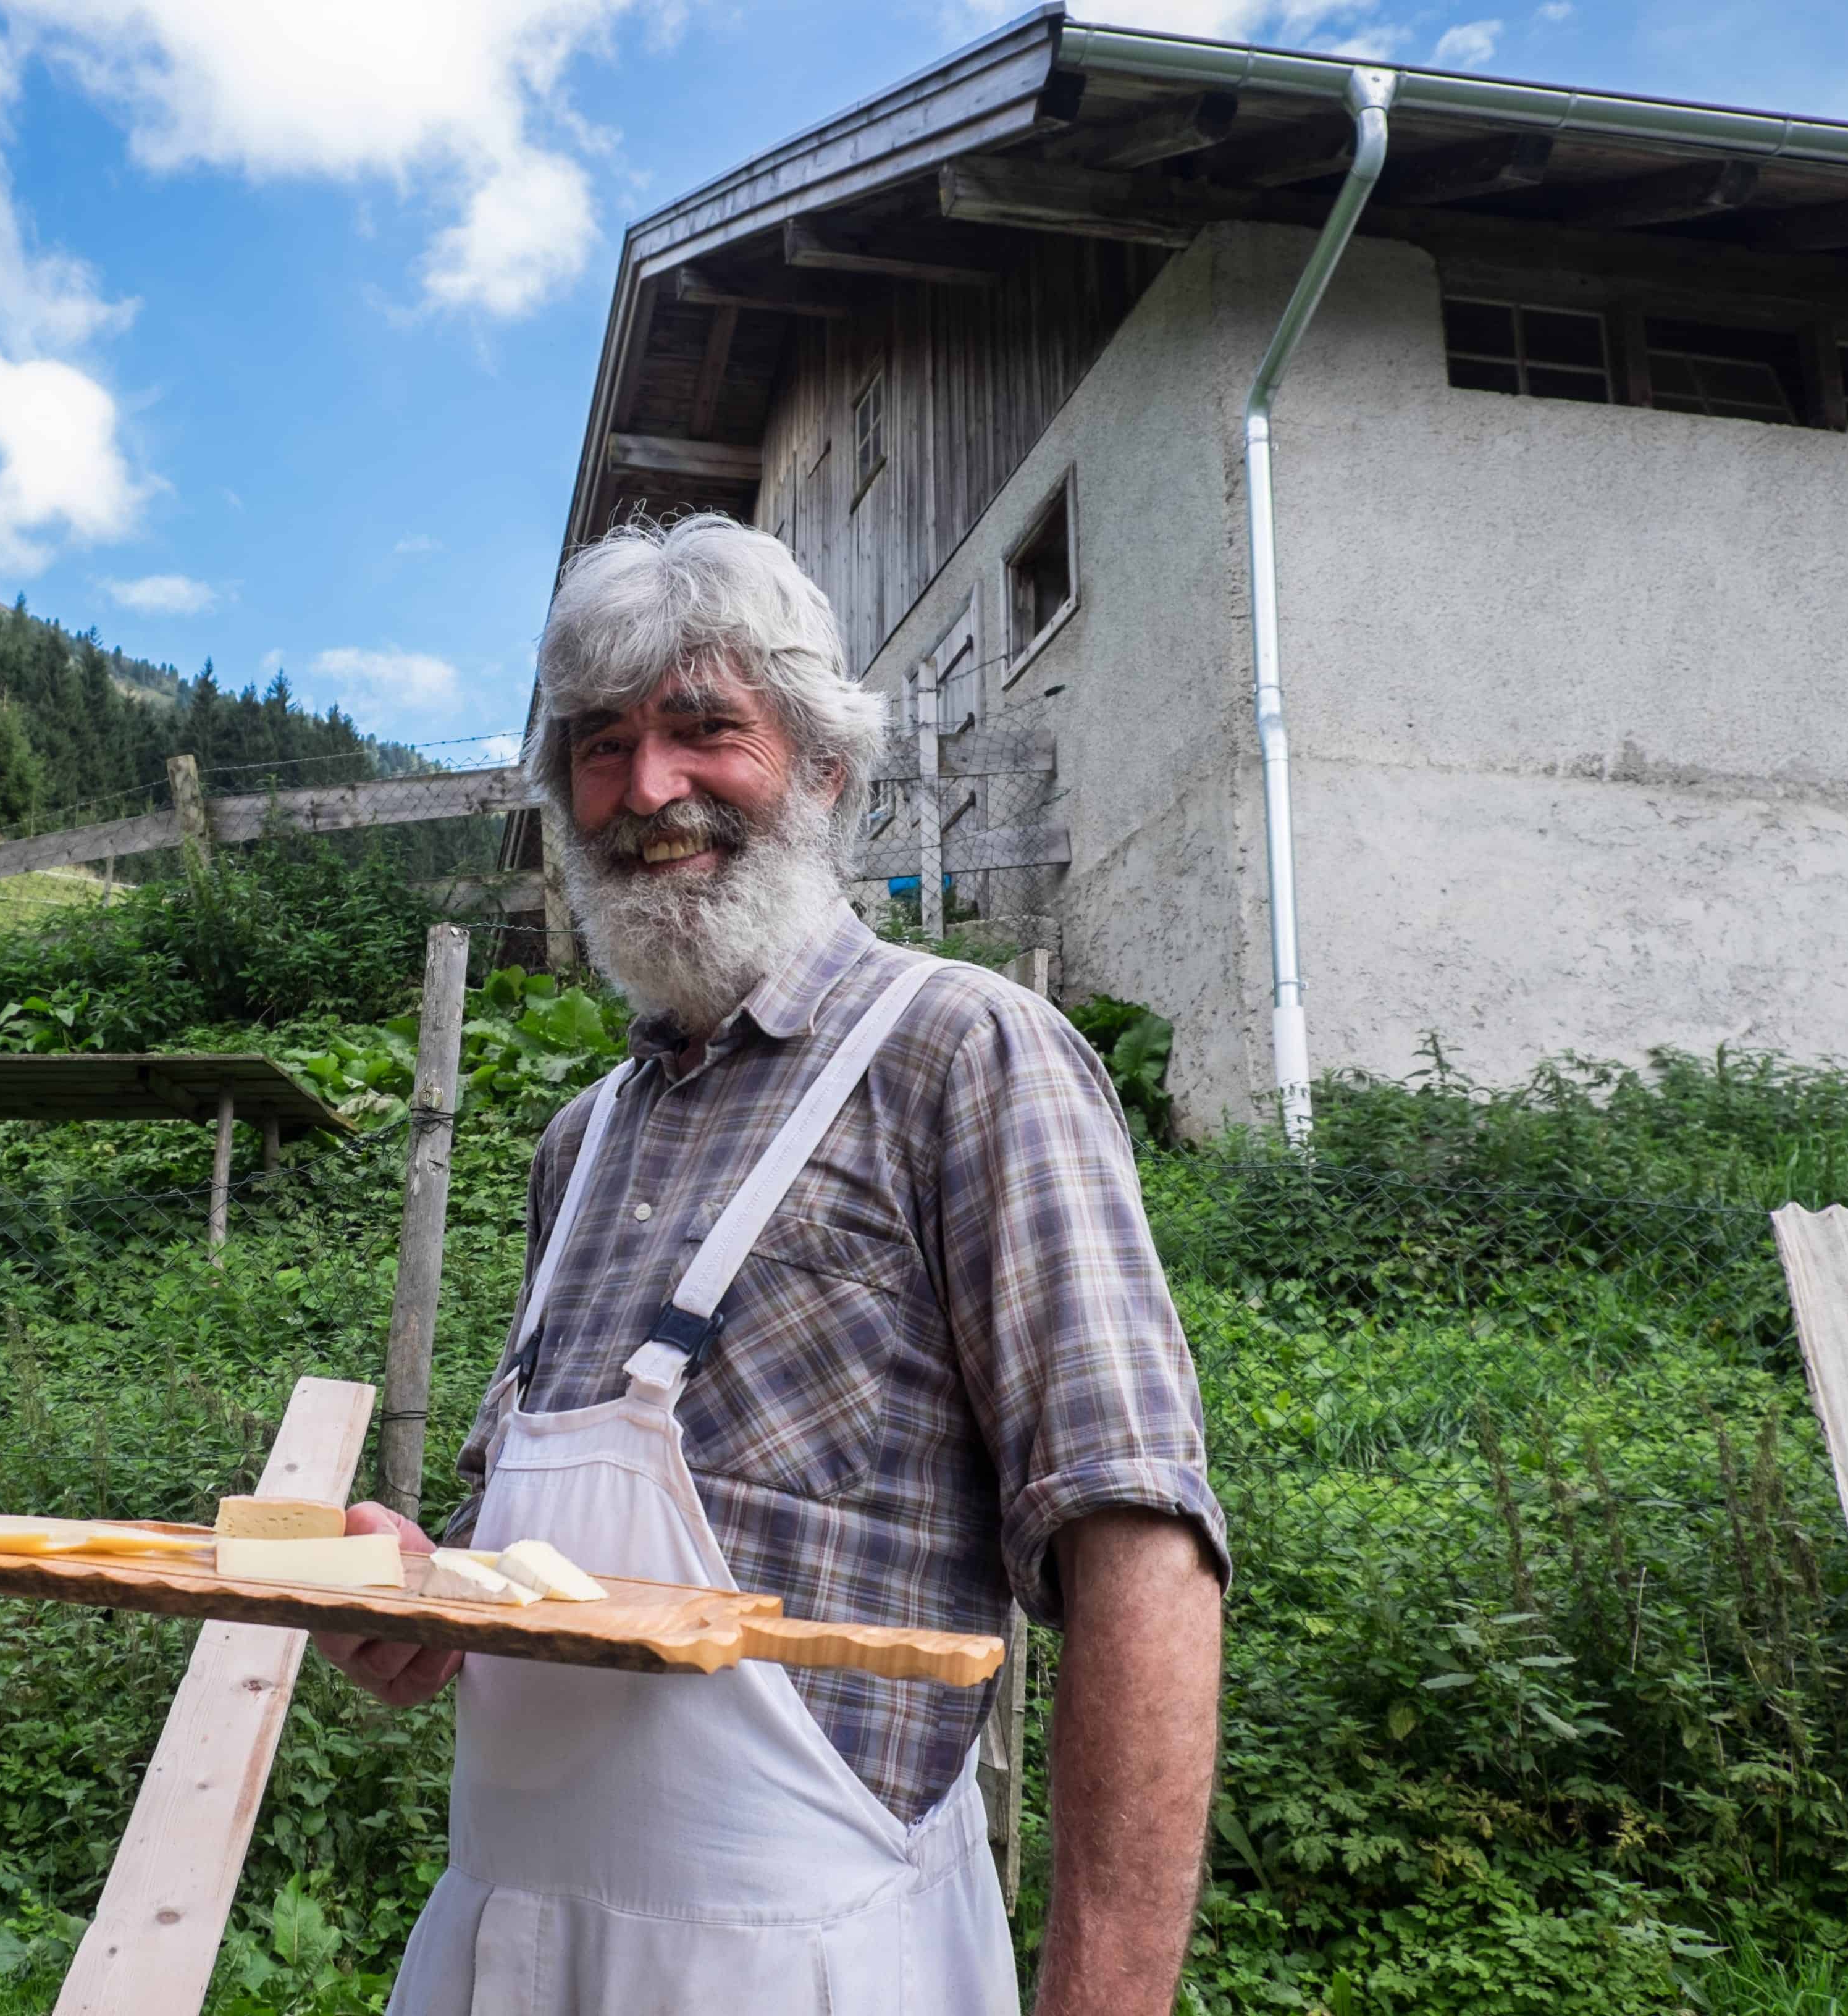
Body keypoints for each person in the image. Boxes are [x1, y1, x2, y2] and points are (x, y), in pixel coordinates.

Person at [317, 514, 1226, 2016]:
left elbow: (1144, 1556)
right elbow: (546, 1574)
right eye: (601, 748)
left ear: (823, 767)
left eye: (702, 730)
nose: (647, 790)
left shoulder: (964, 1054)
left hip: (814, 1962)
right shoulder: (580, 1140)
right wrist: (426, 1602)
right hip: (502, 1951)